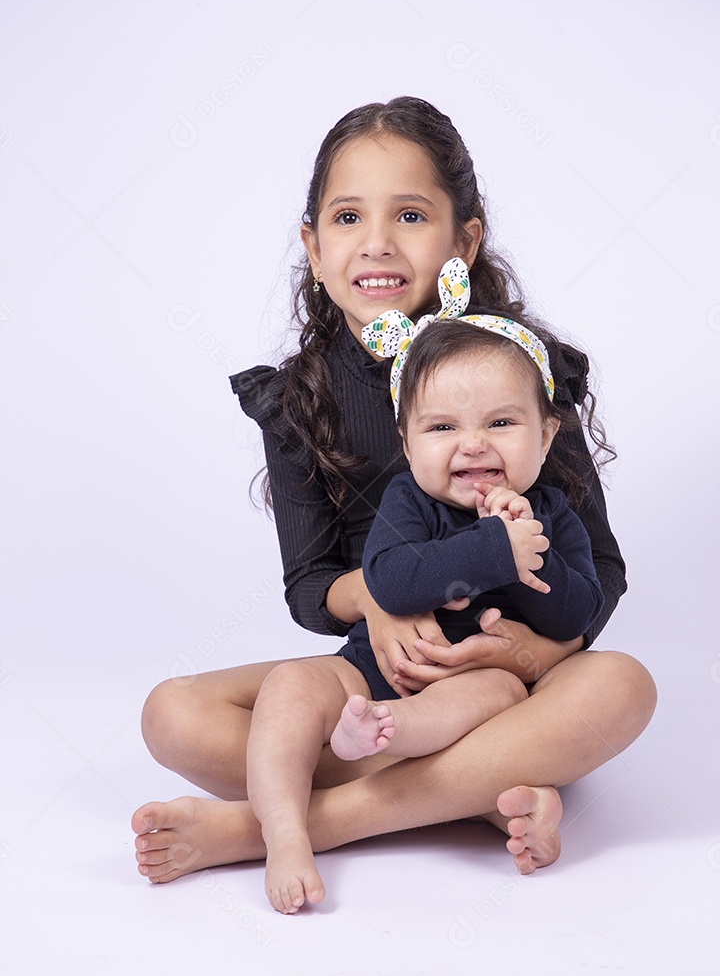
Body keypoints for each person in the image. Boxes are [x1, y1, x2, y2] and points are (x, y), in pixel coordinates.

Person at [132, 96, 656, 907]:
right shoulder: (297, 398)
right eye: (347, 217)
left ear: (464, 240)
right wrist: (379, 600)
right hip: (378, 672)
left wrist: (530, 655)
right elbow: (311, 586)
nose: (377, 241)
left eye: (411, 214)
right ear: (312, 246)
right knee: (174, 713)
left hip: (502, 675)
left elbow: (604, 571)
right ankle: (482, 788)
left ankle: (292, 824)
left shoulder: (525, 376)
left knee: (622, 686)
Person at [245, 284, 607, 912]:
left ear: (546, 436)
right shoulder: (407, 503)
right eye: (443, 427)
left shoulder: (549, 515)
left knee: (496, 690)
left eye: (501, 422)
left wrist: (529, 553)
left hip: (475, 693)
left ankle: (387, 740)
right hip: (373, 671)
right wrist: (493, 549)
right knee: (289, 687)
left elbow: (576, 614)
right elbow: (392, 580)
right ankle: (284, 833)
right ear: (407, 444)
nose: (473, 444)